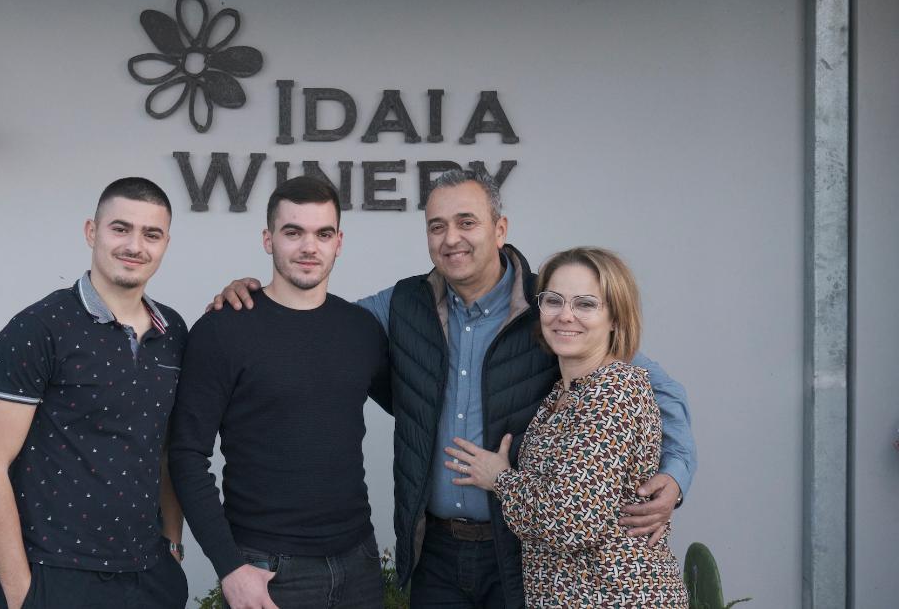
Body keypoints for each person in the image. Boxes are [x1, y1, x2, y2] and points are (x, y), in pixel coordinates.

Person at [212, 169, 696, 608]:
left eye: (467, 222)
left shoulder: (549, 307)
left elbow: (656, 389)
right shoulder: (402, 305)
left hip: (519, 552)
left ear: (500, 229)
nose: (451, 239)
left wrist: (674, 475)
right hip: (436, 552)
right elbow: (317, 321)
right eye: (437, 226)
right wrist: (258, 297)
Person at [0, 177, 188, 609]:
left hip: (149, 576)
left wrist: (172, 548)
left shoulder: (174, 332)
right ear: (92, 231)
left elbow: (167, 451)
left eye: (151, 234)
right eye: (120, 228)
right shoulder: (39, 329)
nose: (135, 246)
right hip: (56, 574)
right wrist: (21, 594)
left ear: (165, 244)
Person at [170, 176, 389, 609]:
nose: (309, 247)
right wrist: (229, 567)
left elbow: (418, 408)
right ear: (268, 239)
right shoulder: (223, 330)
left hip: (358, 564)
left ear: (339, 242)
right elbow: (186, 454)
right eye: (293, 232)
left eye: (323, 233)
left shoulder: (362, 330)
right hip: (267, 568)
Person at [443, 247, 689, 607]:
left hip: (615, 596)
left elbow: (571, 522)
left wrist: (500, 479)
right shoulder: (564, 392)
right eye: (553, 301)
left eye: (585, 304)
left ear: (615, 318)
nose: (565, 315)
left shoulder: (613, 391)